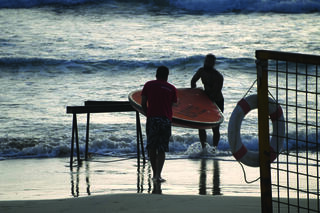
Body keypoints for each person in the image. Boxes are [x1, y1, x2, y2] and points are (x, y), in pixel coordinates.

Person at [141, 66, 177, 182]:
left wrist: (148, 114)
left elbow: (142, 103)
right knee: (161, 148)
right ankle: (158, 175)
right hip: (165, 120)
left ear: (156, 74)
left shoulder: (148, 85)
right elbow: (172, 105)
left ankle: (154, 174)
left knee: (152, 147)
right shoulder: (171, 88)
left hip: (152, 119)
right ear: (167, 76)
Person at [191, 54, 224, 150]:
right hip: (204, 100)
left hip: (217, 102)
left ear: (213, 64)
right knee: (201, 125)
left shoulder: (218, 76)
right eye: (206, 61)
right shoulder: (201, 71)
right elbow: (193, 81)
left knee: (215, 127)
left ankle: (214, 148)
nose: (207, 63)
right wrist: (195, 93)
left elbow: (215, 92)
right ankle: (203, 147)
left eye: (209, 62)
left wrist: (204, 98)